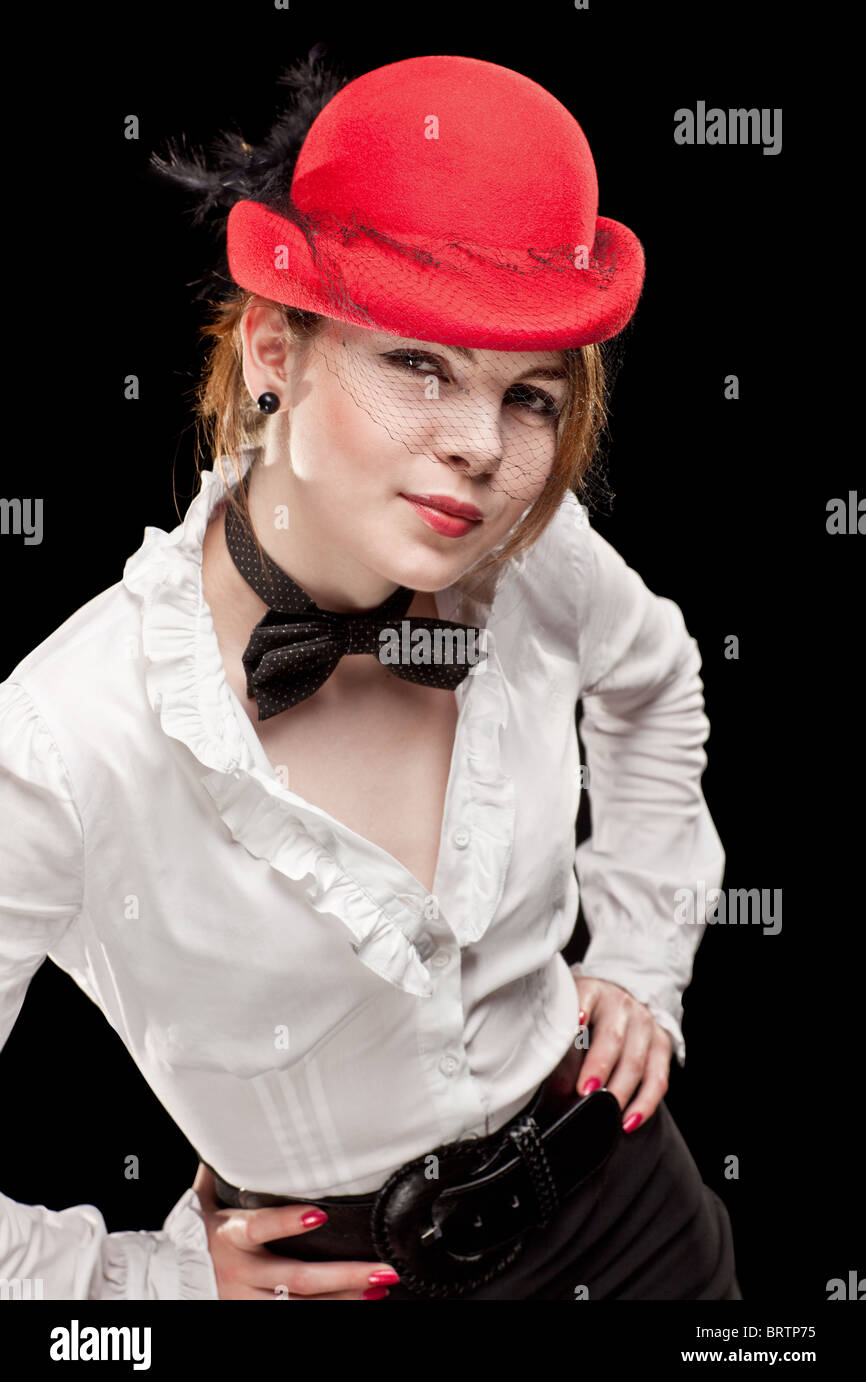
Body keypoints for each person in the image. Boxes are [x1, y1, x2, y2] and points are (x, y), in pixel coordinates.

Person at [0, 50, 741, 1300]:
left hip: (638, 1228)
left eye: (529, 398)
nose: (477, 450)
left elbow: (655, 679)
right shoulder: (67, 737)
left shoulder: (529, 557)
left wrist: (640, 962)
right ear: (274, 346)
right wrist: (141, 1293)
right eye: (418, 366)